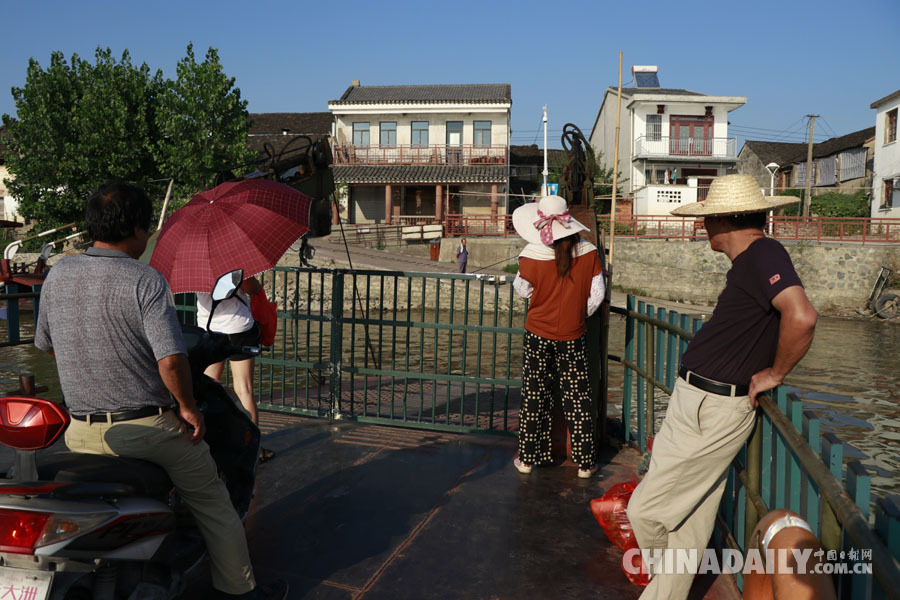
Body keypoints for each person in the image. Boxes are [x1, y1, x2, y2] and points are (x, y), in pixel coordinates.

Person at [34, 181, 286, 600]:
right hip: (145, 430)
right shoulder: (145, 281)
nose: (148, 234)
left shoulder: (59, 273)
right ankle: (241, 593)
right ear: (134, 228)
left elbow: (46, 343)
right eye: (147, 226)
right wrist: (188, 407)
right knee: (215, 502)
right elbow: (171, 360)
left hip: (78, 430)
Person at [625, 174, 818, 600]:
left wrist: (775, 374)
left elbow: (801, 316)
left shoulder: (764, 251)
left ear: (725, 220)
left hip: (716, 408)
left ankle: (661, 582)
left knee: (646, 512)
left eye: (707, 219)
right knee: (690, 527)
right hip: (697, 399)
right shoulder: (749, 261)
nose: (703, 226)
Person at [510, 195, 605, 479]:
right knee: (578, 397)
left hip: (538, 333)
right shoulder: (589, 253)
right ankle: (586, 463)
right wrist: (578, 313)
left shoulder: (532, 254)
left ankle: (528, 458)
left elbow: (522, 289)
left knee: (535, 395)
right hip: (574, 334)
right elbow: (597, 295)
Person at [196, 276, 275, 463]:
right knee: (244, 389)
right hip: (238, 327)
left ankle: (209, 445)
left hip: (208, 328)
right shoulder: (230, 259)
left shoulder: (192, 261)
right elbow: (251, 287)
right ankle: (254, 451)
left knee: (208, 389)